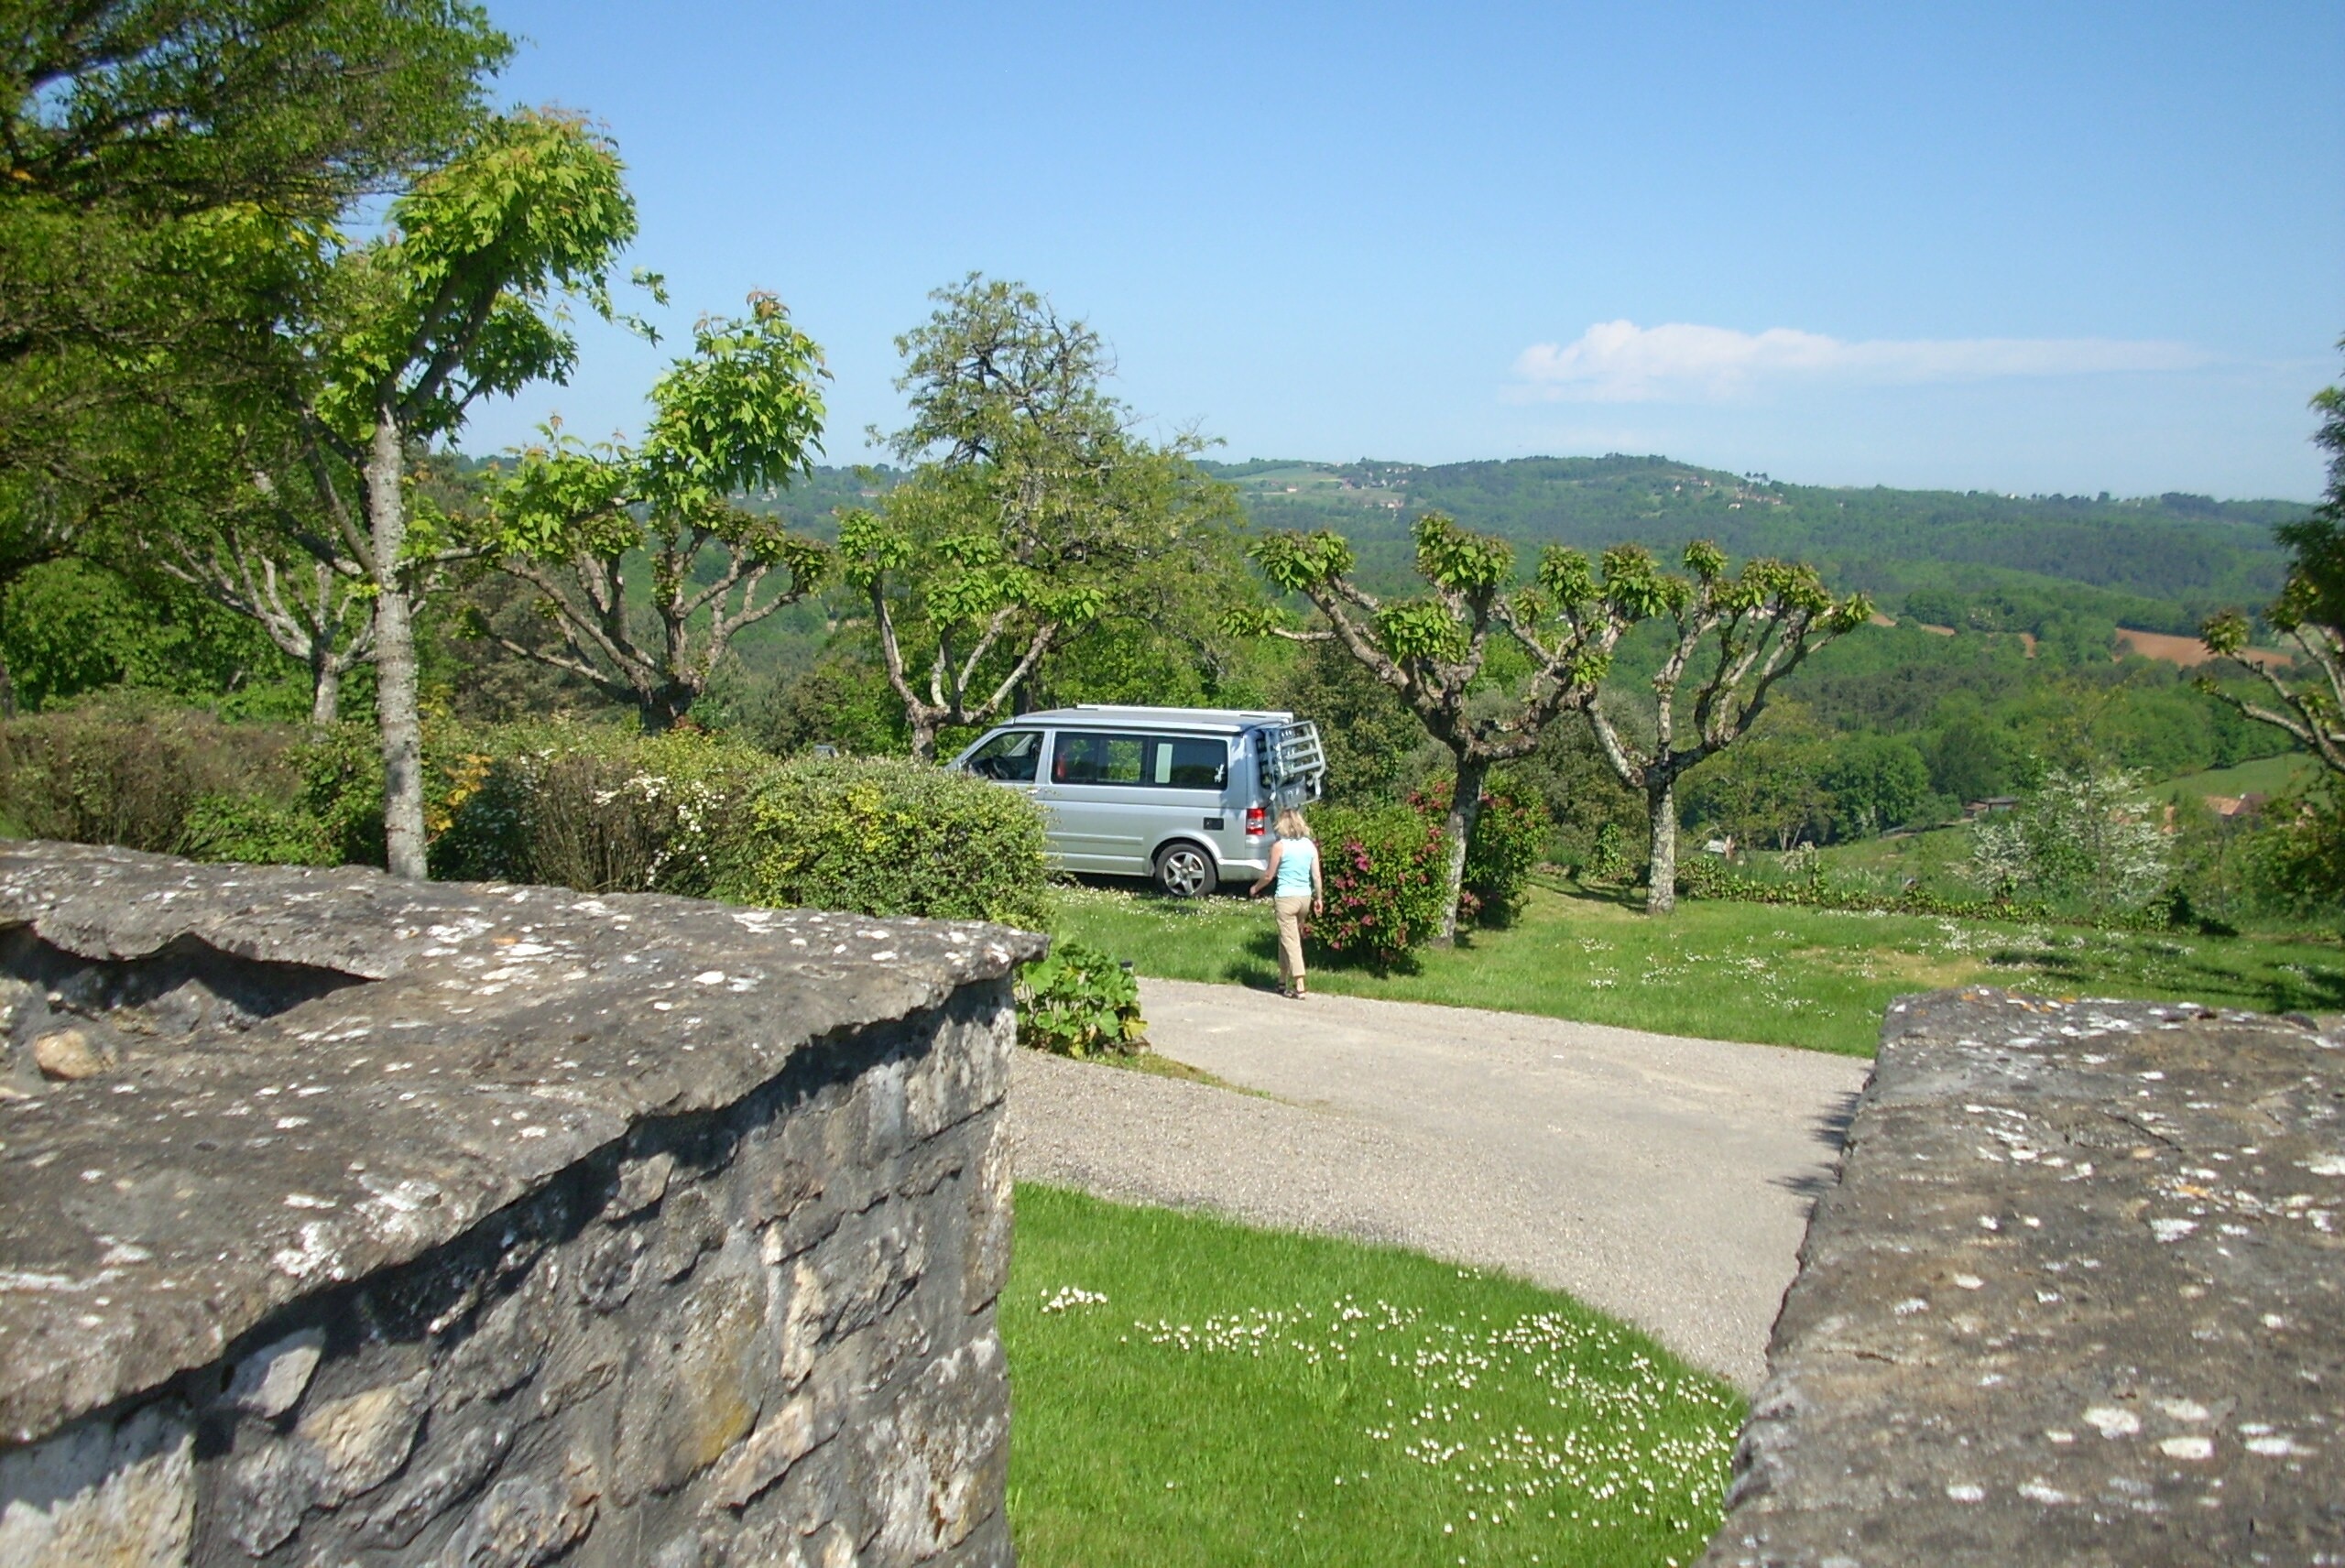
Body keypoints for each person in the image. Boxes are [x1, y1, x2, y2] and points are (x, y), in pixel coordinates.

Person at [1249, 808, 1324, 999]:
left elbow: (1268, 875)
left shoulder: (1279, 846)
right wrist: (1319, 898)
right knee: (1286, 938)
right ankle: (1282, 980)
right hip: (1304, 898)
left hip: (1286, 899)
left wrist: (1255, 888)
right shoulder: (1309, 845)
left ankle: (1300, 984)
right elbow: (1316, 875)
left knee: (1291, 941)